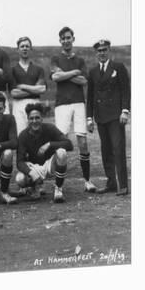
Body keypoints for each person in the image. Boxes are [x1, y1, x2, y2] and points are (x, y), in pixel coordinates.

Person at [50, 27, 96, 192]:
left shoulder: (81, 60)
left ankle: (87, 181)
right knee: (61, 143)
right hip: (62, 104)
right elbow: (55, 77)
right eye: (63, 38)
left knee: (82, 141)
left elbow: (83, 81)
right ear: (60, 40)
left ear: (73, 39)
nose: (66, 40)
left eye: (68, 37)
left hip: (78, 103)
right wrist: (73, 73)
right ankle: (58, 186)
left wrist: (66, 75)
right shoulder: (55, 58)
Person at [87, 39, 130, 196]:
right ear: (96, 53)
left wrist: (125, 110)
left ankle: (123, 185)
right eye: (99, 51)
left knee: (118, 149)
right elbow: (90, 96)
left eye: (104, 50)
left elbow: (126, 90)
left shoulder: (118, 67)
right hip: (100, 116)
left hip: (115, 116)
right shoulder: (92, 72)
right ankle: (111, 182)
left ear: (109, 50)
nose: (102, 53)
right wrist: (89, 118)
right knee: (106, 151)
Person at [15, 103, 73, 202]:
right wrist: (31, 173)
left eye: (37, 118)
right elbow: (19, 162)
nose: (34, 121)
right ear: (28, 120)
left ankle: (58, 188)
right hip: (33, 167)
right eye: (31, 118)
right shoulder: (23, 135)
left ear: (42, 118)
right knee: (19, 179)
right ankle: (34, 187)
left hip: (48, 164)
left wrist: (49, 144)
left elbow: (69, 144)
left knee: (61, 152)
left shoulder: (50, 128)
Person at [9, 37, 46, 134]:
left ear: (31, 49)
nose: (25, 48)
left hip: (35, 104)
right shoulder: (13, 70)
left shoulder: (38, 69)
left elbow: (41, 89)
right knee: (20, 135)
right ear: (18, 49)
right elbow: (14, 93)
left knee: (37, 134)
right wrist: (33, 89)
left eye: (27, 46)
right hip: (18, 105)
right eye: (22, 46)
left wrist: (22, 86)